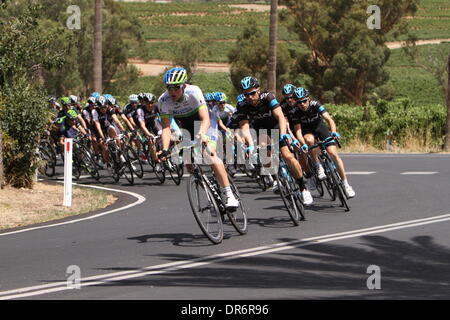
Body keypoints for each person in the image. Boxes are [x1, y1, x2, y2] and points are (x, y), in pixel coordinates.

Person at [158, 67, 239, 209]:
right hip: (186, 128)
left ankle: (229, 195)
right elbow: (166, 128)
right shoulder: (164, 100)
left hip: (205, 125)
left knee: (209, 153)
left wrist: (201, 134)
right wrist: (164, 150)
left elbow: (205, 118)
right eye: (169, 88)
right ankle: (210, 192)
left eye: (176, 88)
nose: (172, 92)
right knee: (189, 165)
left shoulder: (193, 92)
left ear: (183, 86)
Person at [236, 76, 313, 204]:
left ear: (258, 90)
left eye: (252, 93)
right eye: (246, 95)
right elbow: (244, 126)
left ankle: (303, 188)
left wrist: (283, 134)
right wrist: (249, 144)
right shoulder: (242, 105)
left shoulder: (268, 97)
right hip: (261, 129)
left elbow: (281, 117)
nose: (249, 97)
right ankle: (276, 178)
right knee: (263, 148)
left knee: (288, 156)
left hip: (276, 126)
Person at [289, 87, 355, 198]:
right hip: (307, 131)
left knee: (333, 154)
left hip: (320, 127)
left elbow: (329, 120)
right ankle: (318, 165)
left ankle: (346, 184)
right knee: (309, 141)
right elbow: (298, 131)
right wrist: (303, 143)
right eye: (299, 102)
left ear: (308, 99)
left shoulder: (315, 104)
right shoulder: (295, 112)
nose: (302, 104)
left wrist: (333, 132)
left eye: (304, 101)